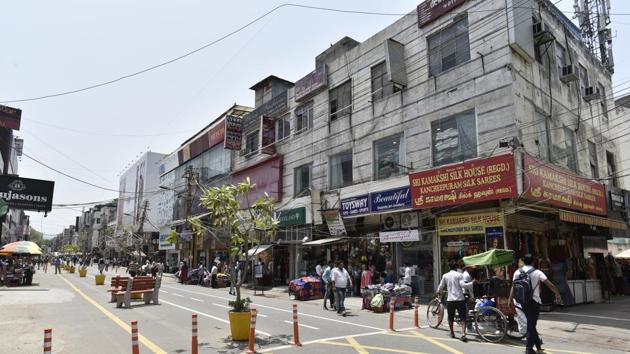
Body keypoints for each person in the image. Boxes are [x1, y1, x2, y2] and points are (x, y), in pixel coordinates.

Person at [509, 254, 562, 354]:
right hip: (534, 302)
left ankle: (537, 345)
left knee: (531, 323)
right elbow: (549, 284)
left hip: (522, 301)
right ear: (533, 262)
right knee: (531, 324)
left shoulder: (517, 272)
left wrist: (510, 299)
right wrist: (557, 294)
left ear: (523, 261)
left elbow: (513, 286)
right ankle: (528, 349)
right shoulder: (537, 272)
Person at [436, 260, 474, 342]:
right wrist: (472, 283)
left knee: (450, 317)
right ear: (456, 268)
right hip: (460, 299)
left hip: (450, 299)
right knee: (463, 317)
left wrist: (438, 291)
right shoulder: (459, 275)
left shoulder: (445, 275)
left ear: (449, 267)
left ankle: (452, 333)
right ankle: (463, 334)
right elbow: (463, 285)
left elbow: (441, 286)